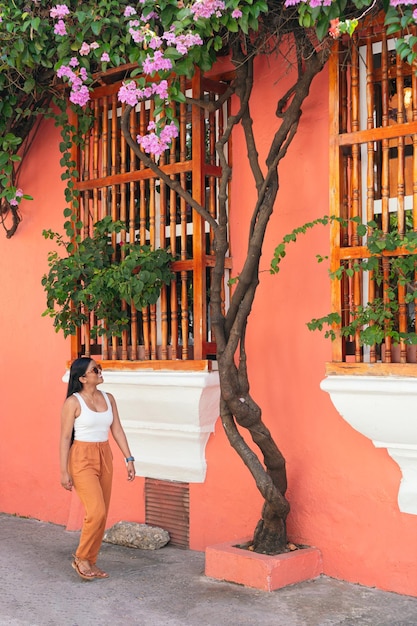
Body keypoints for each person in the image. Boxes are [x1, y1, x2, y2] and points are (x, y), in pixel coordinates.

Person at [60, 357, 136, 580]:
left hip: (105, 455)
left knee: (102, 514)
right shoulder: (73, 403)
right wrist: (64, 471)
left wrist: (129, 458)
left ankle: (90, 562)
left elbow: (118, 430)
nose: (100, 371)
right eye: (95, 369)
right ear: (83, 378)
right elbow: (65, 438)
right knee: (96, 511)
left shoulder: (108, 398)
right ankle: (81, 557)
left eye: (99, 368)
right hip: (81, 457)